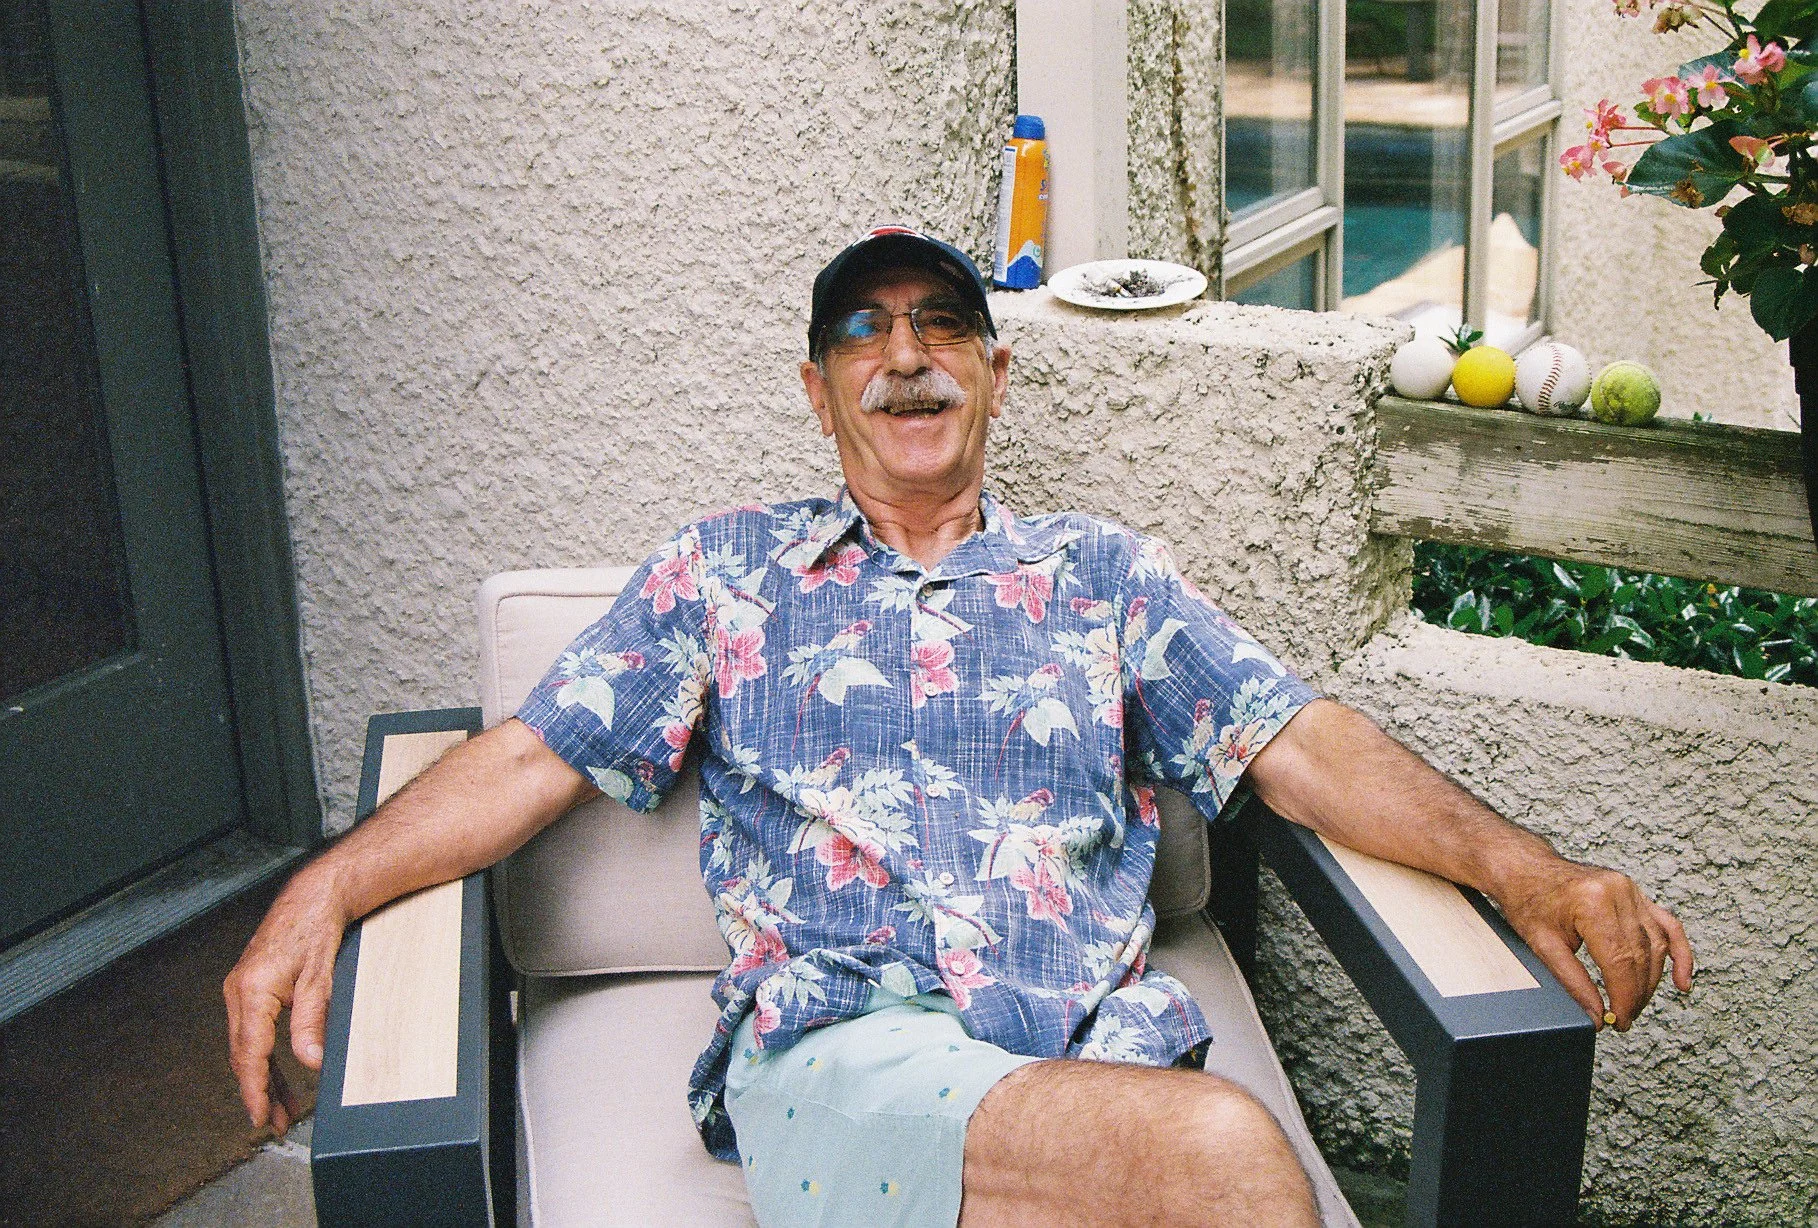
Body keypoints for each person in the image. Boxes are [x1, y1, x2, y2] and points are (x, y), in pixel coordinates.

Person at [225, 226, 1694, 1227]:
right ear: (818, 394)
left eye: (942, 326)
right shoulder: (725, 575)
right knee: (1225, 1159)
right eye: (863, 332)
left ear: (997, 372)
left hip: (1093, 1044)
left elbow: (1295, 742)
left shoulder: (1101, 577)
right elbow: (529, 757)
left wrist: (1528, 871)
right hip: (848, 1049)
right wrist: (325, 887)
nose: (906, 354)